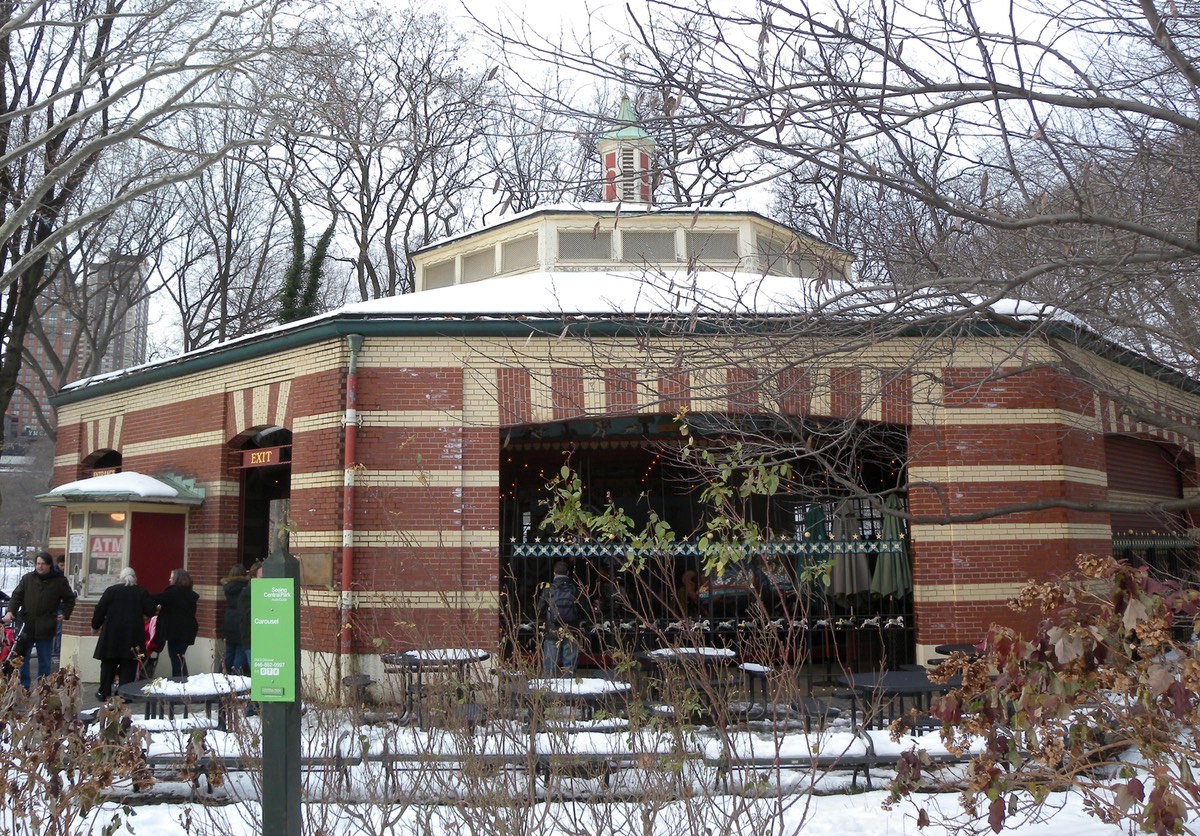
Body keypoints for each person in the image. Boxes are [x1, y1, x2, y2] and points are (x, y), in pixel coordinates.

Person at [3, 550, 76, 690]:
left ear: (49, 565)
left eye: (43, 564)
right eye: (38, 563)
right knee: (22, 659)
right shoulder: (28, 579)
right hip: (26, 625)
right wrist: (10, 612)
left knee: (44, 660)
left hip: (46, 626)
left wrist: (65, 614)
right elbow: (16, 596)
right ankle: (24, 686)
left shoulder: (59, 581)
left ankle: (43, 687)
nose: (40, 566)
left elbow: (69, 599)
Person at [92, 566, 155, 700]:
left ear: (120, 578)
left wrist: (95, 626)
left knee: (108, 664)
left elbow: (100, 610)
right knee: (130, 665)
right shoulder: (141, 592)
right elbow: (151, 610)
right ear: (135, 578)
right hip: (133, 636)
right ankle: (125, 694)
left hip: (111, 636)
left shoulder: (111, 591)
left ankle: (104, 692)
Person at [151, 568, 199, 678]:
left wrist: (141, 594)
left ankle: (181, 681)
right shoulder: (189, 594)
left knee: (176, 657)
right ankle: (182, 680)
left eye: (171, 577)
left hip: (176, 631)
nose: (169, 579)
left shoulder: (174, 592)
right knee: (179, 656)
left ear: (177, 579)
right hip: (188, 630)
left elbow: (157, 598)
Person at [536, 561, 580, 676]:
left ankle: (548, 688)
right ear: (568, 573)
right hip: (571, 628)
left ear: (554, 573)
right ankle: (569, 688)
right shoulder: (574, 589)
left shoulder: (548, 589)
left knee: (549, 663)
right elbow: (582, 609)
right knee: (569, 664)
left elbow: (540, 609)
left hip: (552, 629)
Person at [220, 564, 252, 674]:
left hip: (229, 619)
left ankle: (222, 674)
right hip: (240, 620)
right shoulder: (246, 587)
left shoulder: (227, 587)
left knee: (228, 650)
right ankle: (236, 675)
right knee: (239, 650)